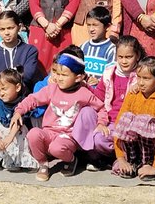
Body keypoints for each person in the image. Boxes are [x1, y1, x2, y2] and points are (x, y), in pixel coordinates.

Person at [12, 49, 104, 181]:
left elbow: (101, 108)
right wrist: (19, 111)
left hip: (68, 136)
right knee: (33, 134)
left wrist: (101, 123)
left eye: (64, 75)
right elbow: (33, 99)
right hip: (49, 132)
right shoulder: (52, 89)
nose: (59, 78)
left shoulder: (84, 93)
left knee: (56, 148)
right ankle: (43, 164)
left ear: (78, 77)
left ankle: (72, 160)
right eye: (58, 74)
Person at [111, 55, 155, 181]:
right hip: (132, 150)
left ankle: (148, 163)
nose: (140, 82)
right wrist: (121, 159)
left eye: (146, 78)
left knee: (143, 121)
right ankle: (132, 162)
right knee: (127, 118)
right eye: (138, 77)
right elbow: (119, 127)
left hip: (152, 150)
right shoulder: (133, 94)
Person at [0, 68, 37, 171]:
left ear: (17, 87)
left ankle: (15, 159)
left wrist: (9, 138)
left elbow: (19, 122)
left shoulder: (23, 103)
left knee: (21, 128)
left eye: (4, 89)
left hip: (14, 135)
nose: (1, 93)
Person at [0, 11, 42, 94]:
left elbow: (27, 76)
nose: (6, 33)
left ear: (19, 27)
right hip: (0, 102)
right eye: (2, 29)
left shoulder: (29, 51)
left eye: (10, 28)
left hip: (24, 99)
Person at [80, 6, 117, 85]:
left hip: (101, 91)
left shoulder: (111, 49)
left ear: (107, 26)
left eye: (95, 25)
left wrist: (99, 81)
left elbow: (112, 74)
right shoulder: (83, 47)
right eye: (89, 25)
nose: (91, 29)